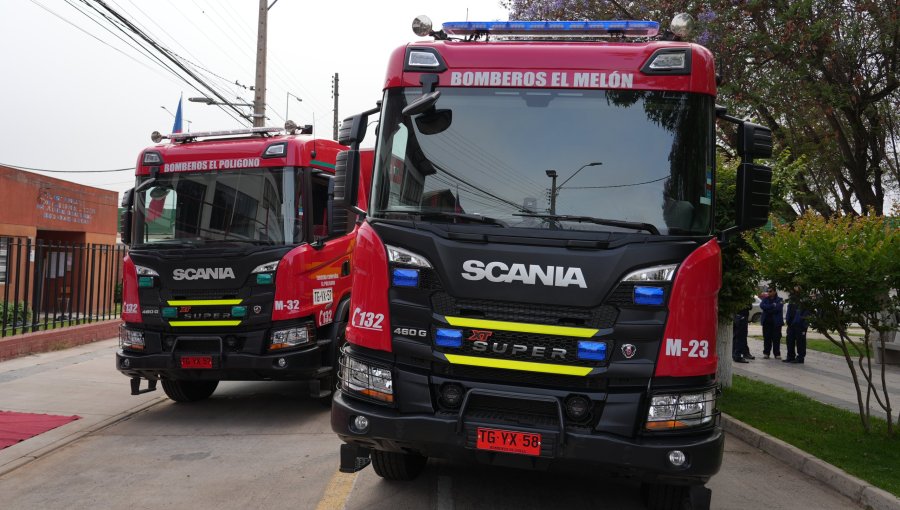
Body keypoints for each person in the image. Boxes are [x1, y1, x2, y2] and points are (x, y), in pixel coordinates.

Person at [759, 287, 784, 359]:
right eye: (768, 291)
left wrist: (768, 309)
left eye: (770, 291)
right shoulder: (765, 299)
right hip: (766, 322)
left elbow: (778, 309)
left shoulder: (780, 300)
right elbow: (762, 306)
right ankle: (766, 353)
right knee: (767, 338)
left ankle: (777, 354)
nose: (768, 292)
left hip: (776, 323)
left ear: (775, 292)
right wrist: (772, 306)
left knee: (776, 338)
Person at [784, 297, 810, 364]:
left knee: (800, 342)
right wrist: (787, 320)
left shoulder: (805, 299)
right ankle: (790, 356)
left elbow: (807, 312)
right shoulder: (792, 299)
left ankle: (800, 358)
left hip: (800, 325)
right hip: (791, 324)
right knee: (789, 340)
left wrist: (801, 321)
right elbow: (789, 310)